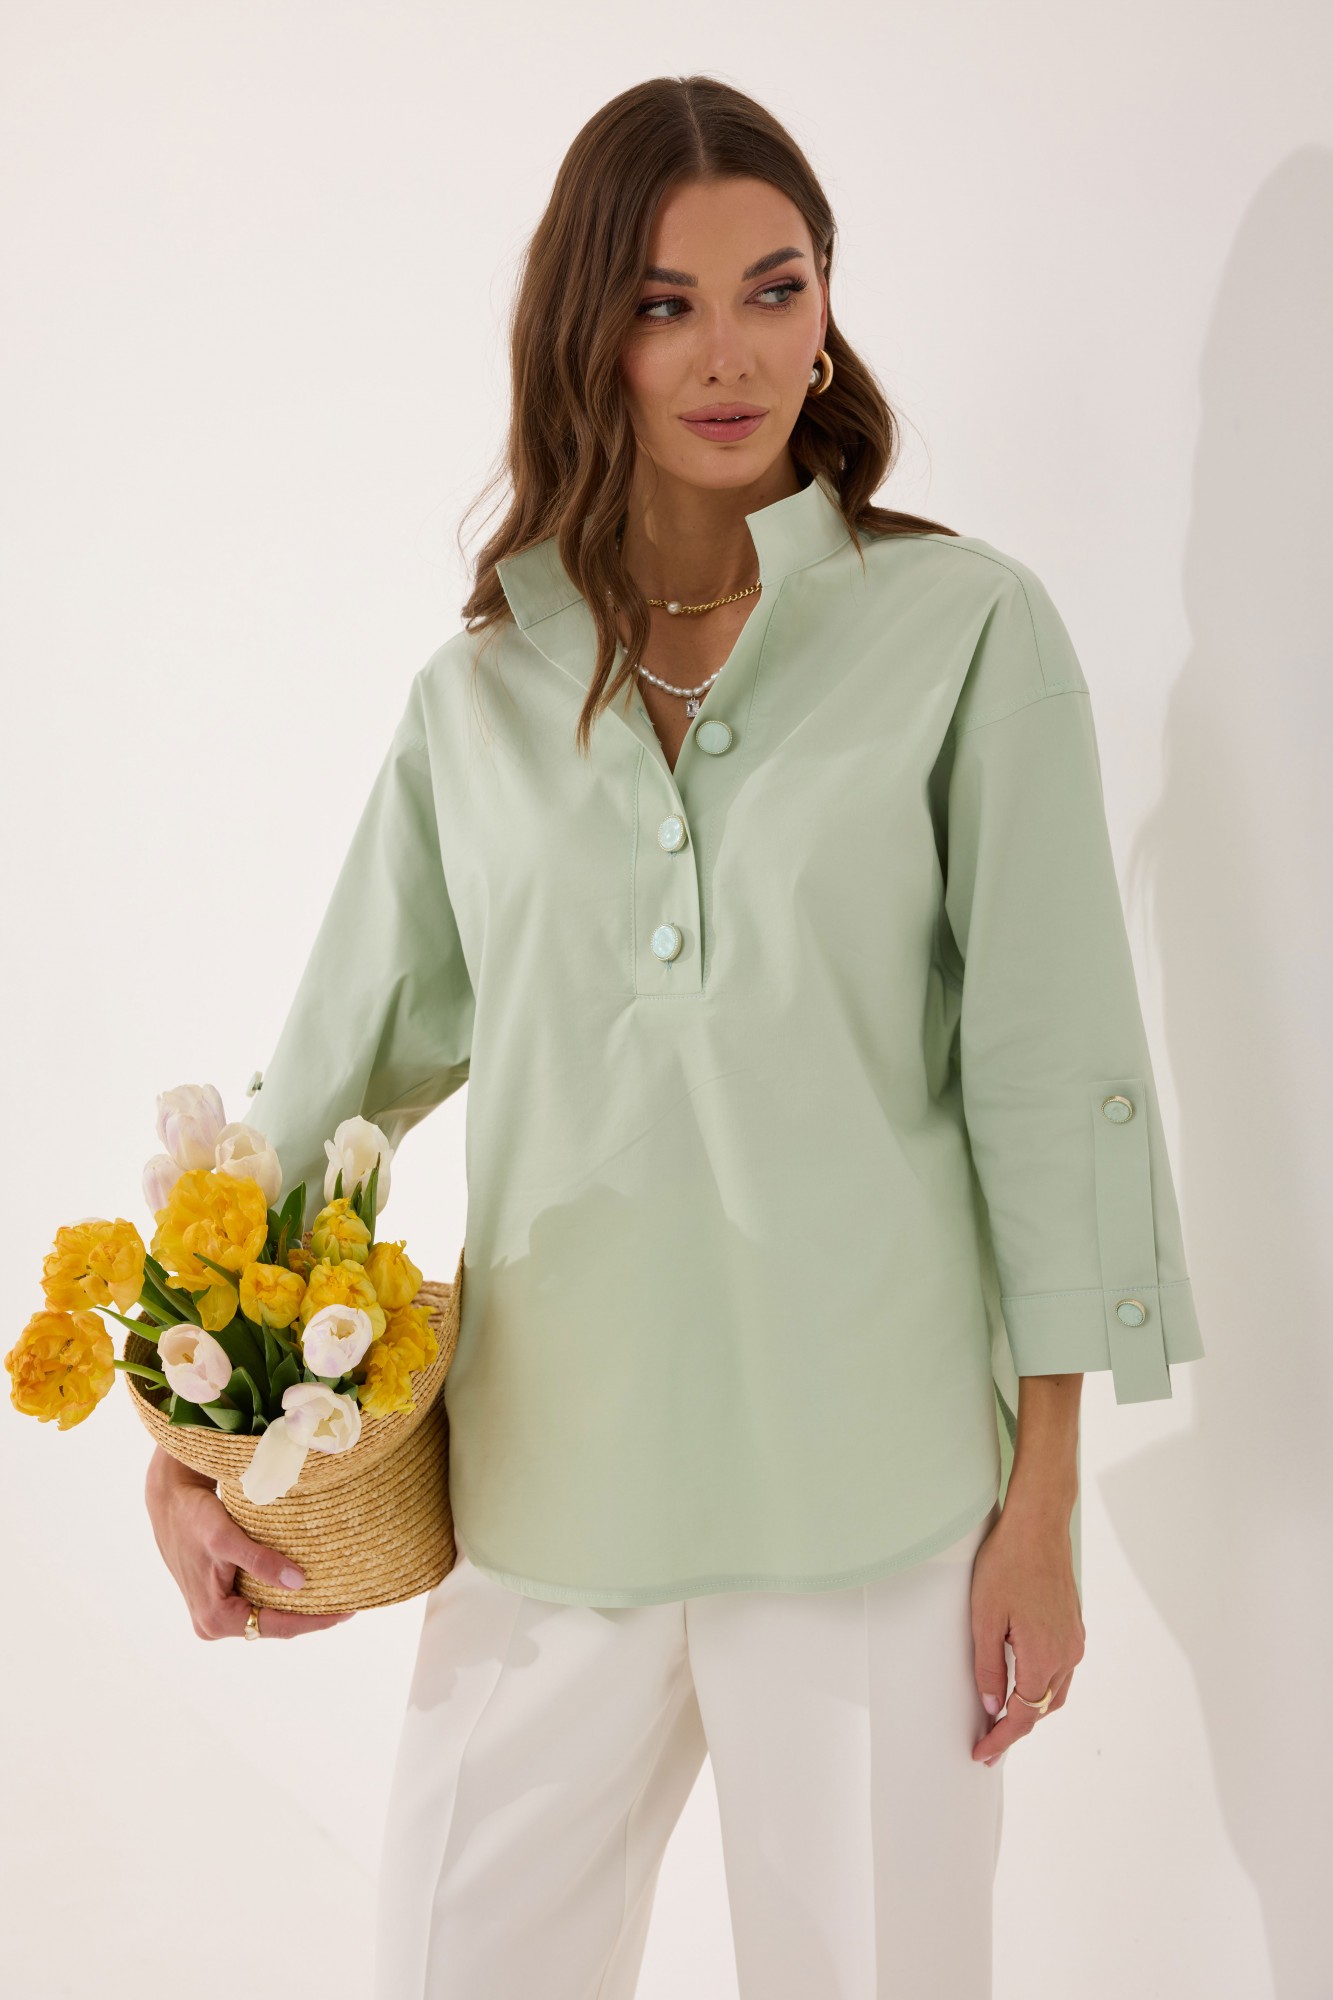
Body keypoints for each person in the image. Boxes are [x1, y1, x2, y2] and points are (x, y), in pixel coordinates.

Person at [144, 74, 1205, 2000]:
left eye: (774, 288)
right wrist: (188, 1434)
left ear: (826, 308)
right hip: (548, 1503)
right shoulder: (480, 694)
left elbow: (1048, 1077)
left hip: (879, 1505)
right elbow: (332, 1073)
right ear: (588, 332)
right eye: (664, 303)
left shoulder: (963, 630)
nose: (732, 353)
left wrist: (1041, 1503)